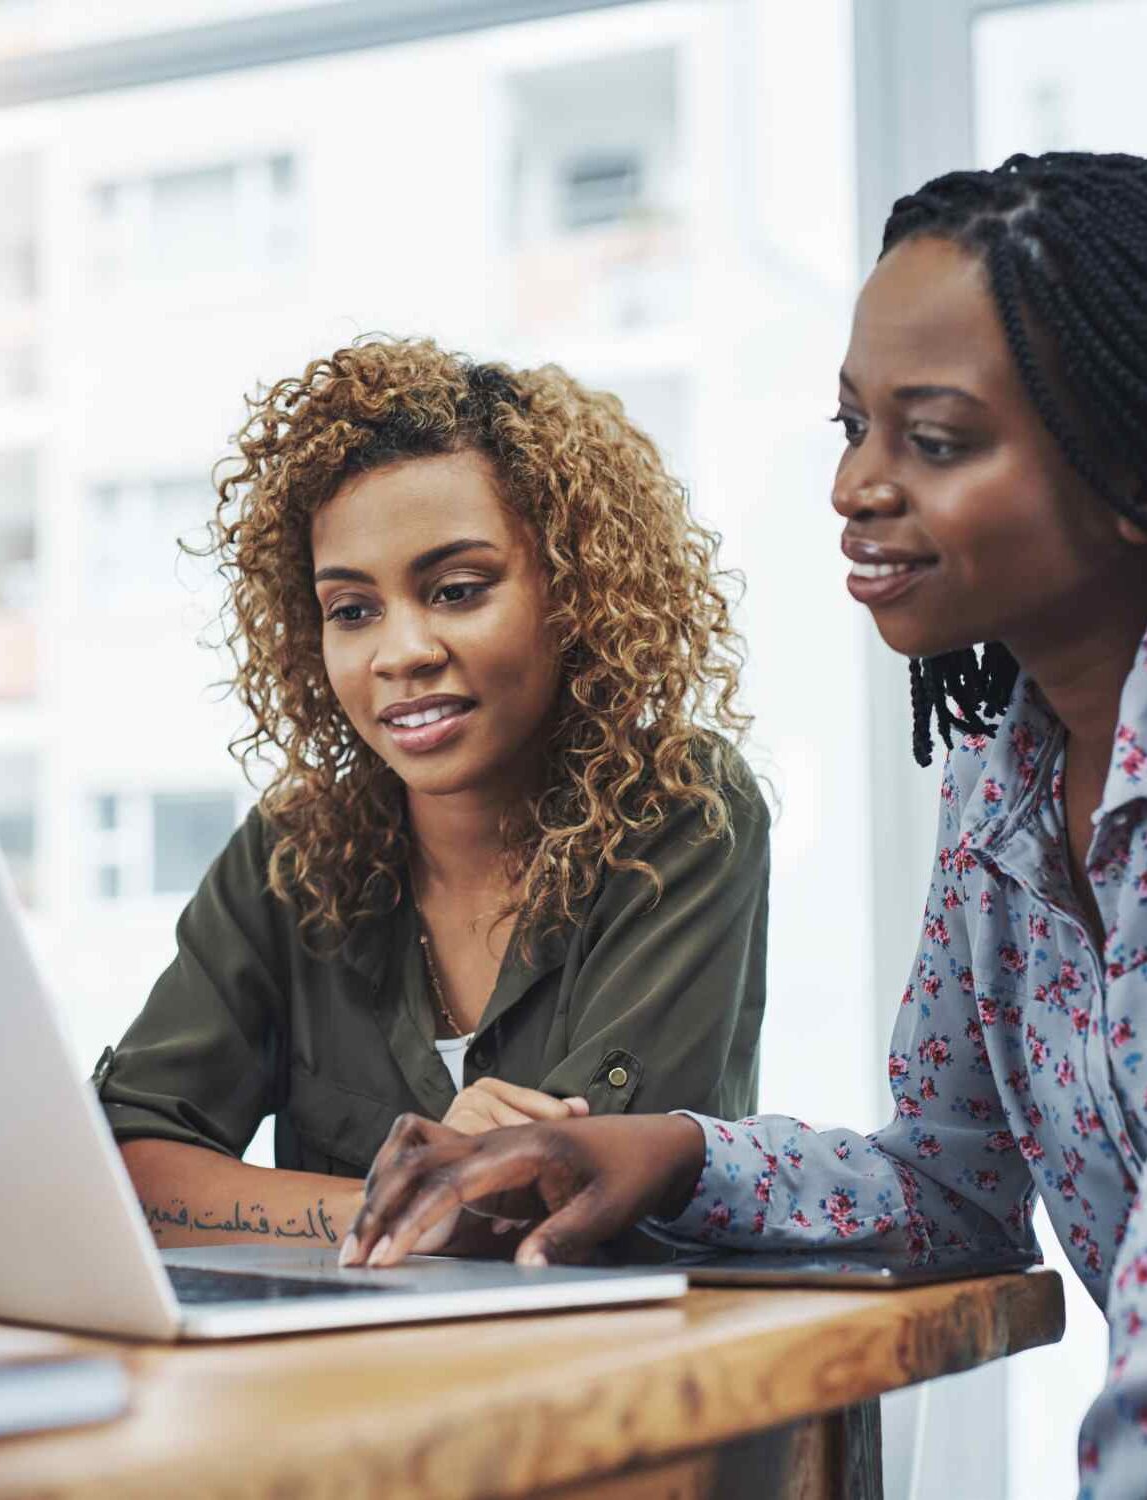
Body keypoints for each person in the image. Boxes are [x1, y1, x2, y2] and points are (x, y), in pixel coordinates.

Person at [343, 153, 1147, 1498]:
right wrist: (663, 1159)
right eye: (854, 429)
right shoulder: (998, 784)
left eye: (935, 440)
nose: (858, 488)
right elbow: (952, 1187)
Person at [93, 337, 770, 1254]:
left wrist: (452, 1196)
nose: (398, 651)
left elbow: (565, 1198)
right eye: (352, 610)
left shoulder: (680, 812)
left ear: (574, 593)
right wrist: (404, 1204)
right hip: (348, 1382)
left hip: (613, 1377)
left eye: (455, 590)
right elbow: (126, 1168)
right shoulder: (291, 853)